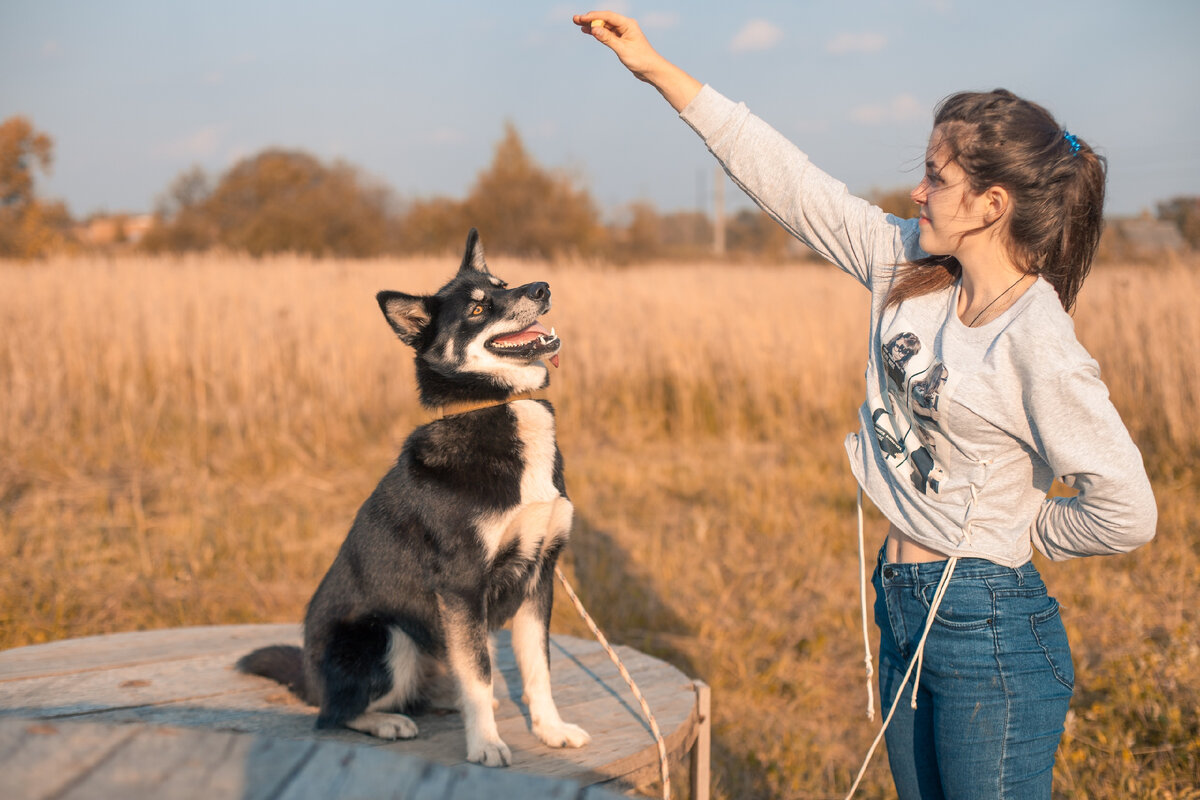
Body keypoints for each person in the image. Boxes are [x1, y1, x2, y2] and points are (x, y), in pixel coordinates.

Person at [573, 11, 1157, 800]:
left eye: (937, 178)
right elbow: (787, 180)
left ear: (991, 204)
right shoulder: (905, 263)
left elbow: (1126, 509)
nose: (917, 191)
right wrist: (658, 70)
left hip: (987, 628)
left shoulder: (1039, 343)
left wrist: (1024, 531)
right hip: (901, 601)